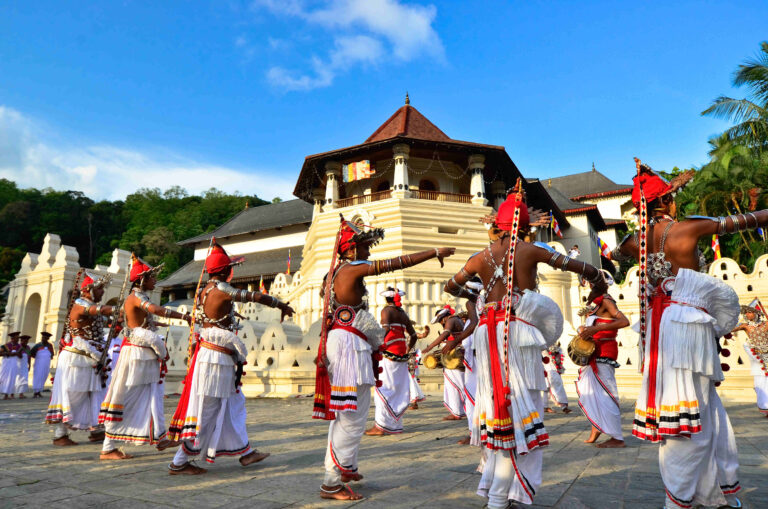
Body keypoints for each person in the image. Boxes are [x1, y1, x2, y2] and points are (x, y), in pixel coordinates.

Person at [610, 158, 768, 509]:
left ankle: (707, 495)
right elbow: (750, 220)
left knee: (692, 412)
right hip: (688, 326)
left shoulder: (635, 241)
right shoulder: (688, 229)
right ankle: (679, 500)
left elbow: (619, 250)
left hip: (659, 328)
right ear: (667, 202)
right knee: (690, 417)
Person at [443, 187, 607, 509]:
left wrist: (477, 299)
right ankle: (512, 492)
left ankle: (499, 491)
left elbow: (452, 285)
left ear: (499, 225)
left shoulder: (480, 257)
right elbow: (578, 267)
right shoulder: (530, 251)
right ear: (523, 226)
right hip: (517, 331)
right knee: (523, 401)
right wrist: (596, 278)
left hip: (488, 333)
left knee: (496, 402)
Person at [313, 218, 454, 501]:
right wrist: (433, 251)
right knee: (352, 417)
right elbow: (395, 263)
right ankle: (331, 482)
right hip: (348, 347)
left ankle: (346, 466)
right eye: (364, 246)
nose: (368, 252)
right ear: (351, 249)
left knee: (347, 413)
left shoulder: (333, 273)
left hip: (344, 342)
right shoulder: (352, 268)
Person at [168, 241, 294, 475]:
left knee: (233, 405)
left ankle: (245, 453)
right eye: (230, 268)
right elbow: (253, 296)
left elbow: (213, 315)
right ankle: (179, 461)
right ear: (226, 271)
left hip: (217, 358)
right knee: (207, 411)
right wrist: (280, 304)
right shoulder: (223, 290)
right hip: (215, 361)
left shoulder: (205, 290)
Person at [99, 254, 192, 460]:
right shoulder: (138, 297)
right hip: (138, 355)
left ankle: (159, 437)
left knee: (152, 397)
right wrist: (184, 316)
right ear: (141, 279)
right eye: (151, 277)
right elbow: (157, 311)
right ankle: (108, 446)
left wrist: (157, 327)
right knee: (129, 398)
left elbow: (142, 321)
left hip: (144, 355)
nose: (155, 280)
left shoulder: (139, 297)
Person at [46, 271, 115, 446]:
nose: (102, 293)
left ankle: (96, 429)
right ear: (88, 290)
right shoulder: (80, 304)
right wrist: (116, 308)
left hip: (90, 359)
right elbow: (94, 310)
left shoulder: (90, 304)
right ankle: (60, 434)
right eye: (99, 289)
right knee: (73, 395)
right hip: (77, 358)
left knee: (94, 394)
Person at [574, 270, 629, 447]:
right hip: (593, 353)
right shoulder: (595, 303)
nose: (588, 284)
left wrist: (595, 330)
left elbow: (624, 321)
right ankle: (596, 426)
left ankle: (617, 438)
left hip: (605, 352)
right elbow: (598, 323)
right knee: (591, 392)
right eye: (587, 281)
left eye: (592, 281)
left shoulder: (606, 300)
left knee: (606, 393)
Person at [365, 287, 418, 435]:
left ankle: (380, 427)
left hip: (388, 354)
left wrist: (376, 344)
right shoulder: (403, 314)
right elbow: (413, 336)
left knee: (383, 388)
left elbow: (386, 329)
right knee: (395, 390)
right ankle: (394, 426)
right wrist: (407, 350)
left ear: (386, 299)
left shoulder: (386, 311)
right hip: (401, 357)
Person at [423, 306, 466, 421]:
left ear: (444, 317)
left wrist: (430, 347)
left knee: (454, 386)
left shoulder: (451, 320)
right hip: (458, 356)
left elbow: (445, 334)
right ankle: (460, 410)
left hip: (453, 358)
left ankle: (457, 412)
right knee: (460, 384)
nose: (441, 324)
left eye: (441, 321)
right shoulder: (457, 320)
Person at [731, 300, 768, 417]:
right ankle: (764, 406)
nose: (747, 315)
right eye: (746, 313)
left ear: (756, 313)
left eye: (749, 312)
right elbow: (731, 329)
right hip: (756, 355)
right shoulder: (745, 326)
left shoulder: (765, 324)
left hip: (767, 354)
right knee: (760, 380)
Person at [543, 343, 571, 414]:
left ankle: (562, 406)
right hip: (547, 369)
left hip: (553, 369)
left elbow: (559, 358)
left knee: (552, 387)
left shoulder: (556, 346)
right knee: (549, 388)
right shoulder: (543, 345)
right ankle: (562, 406)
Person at [30, 331, 55, 397]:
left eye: (45, 338)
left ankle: (39, 391)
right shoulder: (38, 345)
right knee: (37, 376)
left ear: (47, 339)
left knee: (44, 376)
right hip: (38, 364)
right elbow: (31, 353)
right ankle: (35, 391)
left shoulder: (50, 346)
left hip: (46, 364)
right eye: (42, 337)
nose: (43, 339)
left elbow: (52, 354)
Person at [0, 332, 23, 399]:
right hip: (6, 364)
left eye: (18, 338)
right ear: (12, 338)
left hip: (14, 364)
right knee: (3, 378)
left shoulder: (19, 346)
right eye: (17, 338)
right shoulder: (5, 346)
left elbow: (20, 356)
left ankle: (6, 395)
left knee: (11, 379)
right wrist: (8, 353)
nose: (18, 339)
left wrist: (17, 354)